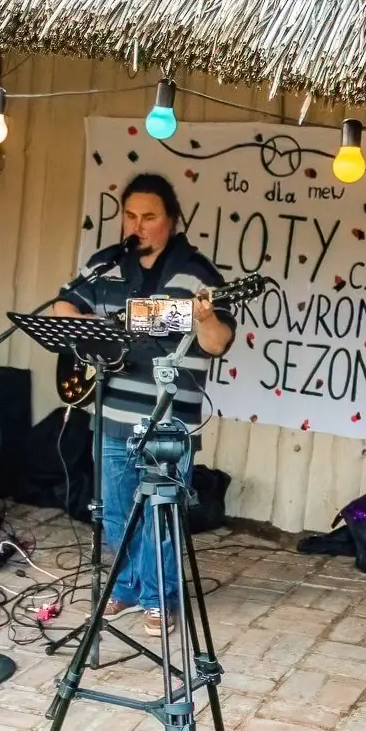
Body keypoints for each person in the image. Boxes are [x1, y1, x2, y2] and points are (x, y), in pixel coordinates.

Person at [51, 173, 234, 637]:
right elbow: (62, 308)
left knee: (161, 514)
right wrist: (97, 330)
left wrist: (204, 317)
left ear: (172, 220)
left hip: (169, 420)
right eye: (130, 216)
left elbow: (217, 342)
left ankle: (159, 597)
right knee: (115, 512)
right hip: (111, 412)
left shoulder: (198, 274)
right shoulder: (105, 265)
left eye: (149, 216)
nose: (137, 225)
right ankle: (128, 585)